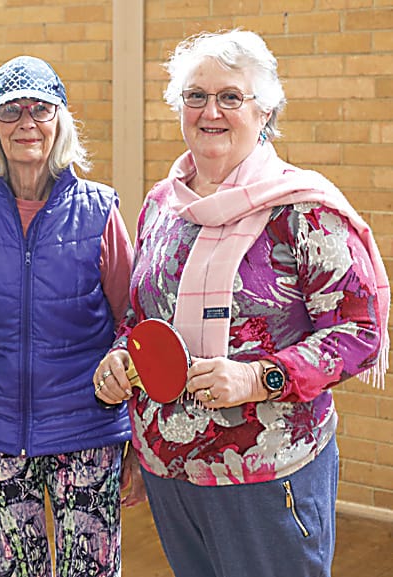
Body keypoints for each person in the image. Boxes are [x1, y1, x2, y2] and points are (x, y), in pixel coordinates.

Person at [94, 29, 389, 577]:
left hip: (267, 471)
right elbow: (140, 317)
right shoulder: (163, 206)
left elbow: (360, 330)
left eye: (230, 96)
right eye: (196, 96)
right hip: (171, 465)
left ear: (265, 109)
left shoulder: (302, 211)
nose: (211, 111)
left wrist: (260, 379)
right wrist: (119, 357)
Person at [0, 55, 139, 577]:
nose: (27, 123)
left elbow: (132, 321)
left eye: (40, 109)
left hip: (87, 425)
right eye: (11, 111)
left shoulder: (99, 210)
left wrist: (136, 436)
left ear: (61, 120)